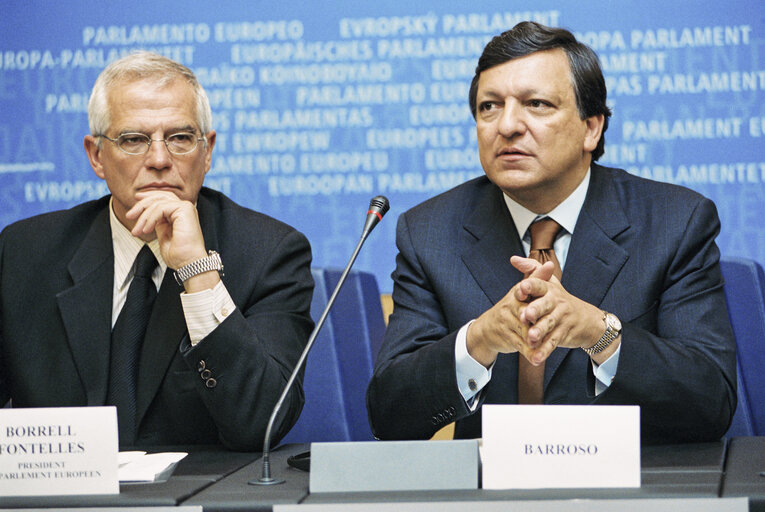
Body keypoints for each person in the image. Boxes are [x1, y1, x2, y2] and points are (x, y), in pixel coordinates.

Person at [366, 21, 736, 444]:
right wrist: (479, 340)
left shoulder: (674, 220)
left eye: (536, 104)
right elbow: (390, 416)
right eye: (489, 106)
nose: (506, 125)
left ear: (591, 128)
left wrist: (600, 334)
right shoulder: (430, 231)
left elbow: (711, 401)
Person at [0, 52, 314, 450]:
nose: (160, 159)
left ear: (207, 151)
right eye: (133, 140)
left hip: (194, 501)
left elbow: (261, 421)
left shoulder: (270, 253)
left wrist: (197, 272)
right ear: (96, 156)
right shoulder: (24, 253)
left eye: (181, 138)